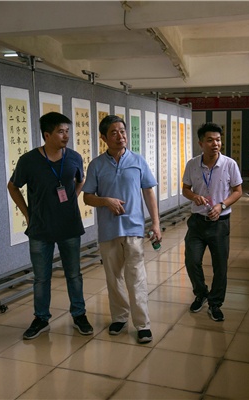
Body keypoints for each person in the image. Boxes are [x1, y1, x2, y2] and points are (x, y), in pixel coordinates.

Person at [8, 112, 93, 340]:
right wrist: (28, 214)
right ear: (47, 135)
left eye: (67, 131)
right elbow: (13, 186)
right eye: (60, 132)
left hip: (69, 225)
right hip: (40, 227)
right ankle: (41, 318)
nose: (66, 136)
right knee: (41, 277)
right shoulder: (28, 160)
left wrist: (71, 199)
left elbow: (80, 180)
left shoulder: (74, 157)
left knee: (73, 274)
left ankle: (79, 314)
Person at [83, 115, 161, 344]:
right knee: (113, 278)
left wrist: (156, 223)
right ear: (104, 138)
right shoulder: (97, 165)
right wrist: (106, 201)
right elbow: (87, 197)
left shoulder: (138, 161)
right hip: (108, 231)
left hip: (134, 229)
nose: (120, 136)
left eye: (123, 131)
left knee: (136, 277)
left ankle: (143, 324)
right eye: (114, 132)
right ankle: (119, 317)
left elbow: (149, 192)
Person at [182, 122, 243, 322]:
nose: (215, 144)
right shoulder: (192, 164)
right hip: (197, 222)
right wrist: (194, 196)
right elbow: (186, 189)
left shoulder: (229, 164)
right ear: (201, 143)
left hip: (220, 223)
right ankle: (201, 293)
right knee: (192, 260)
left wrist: (222, 206)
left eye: (218, 140)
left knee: (220, 266)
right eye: (210, 140)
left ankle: (215, 303)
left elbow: (238, 191)